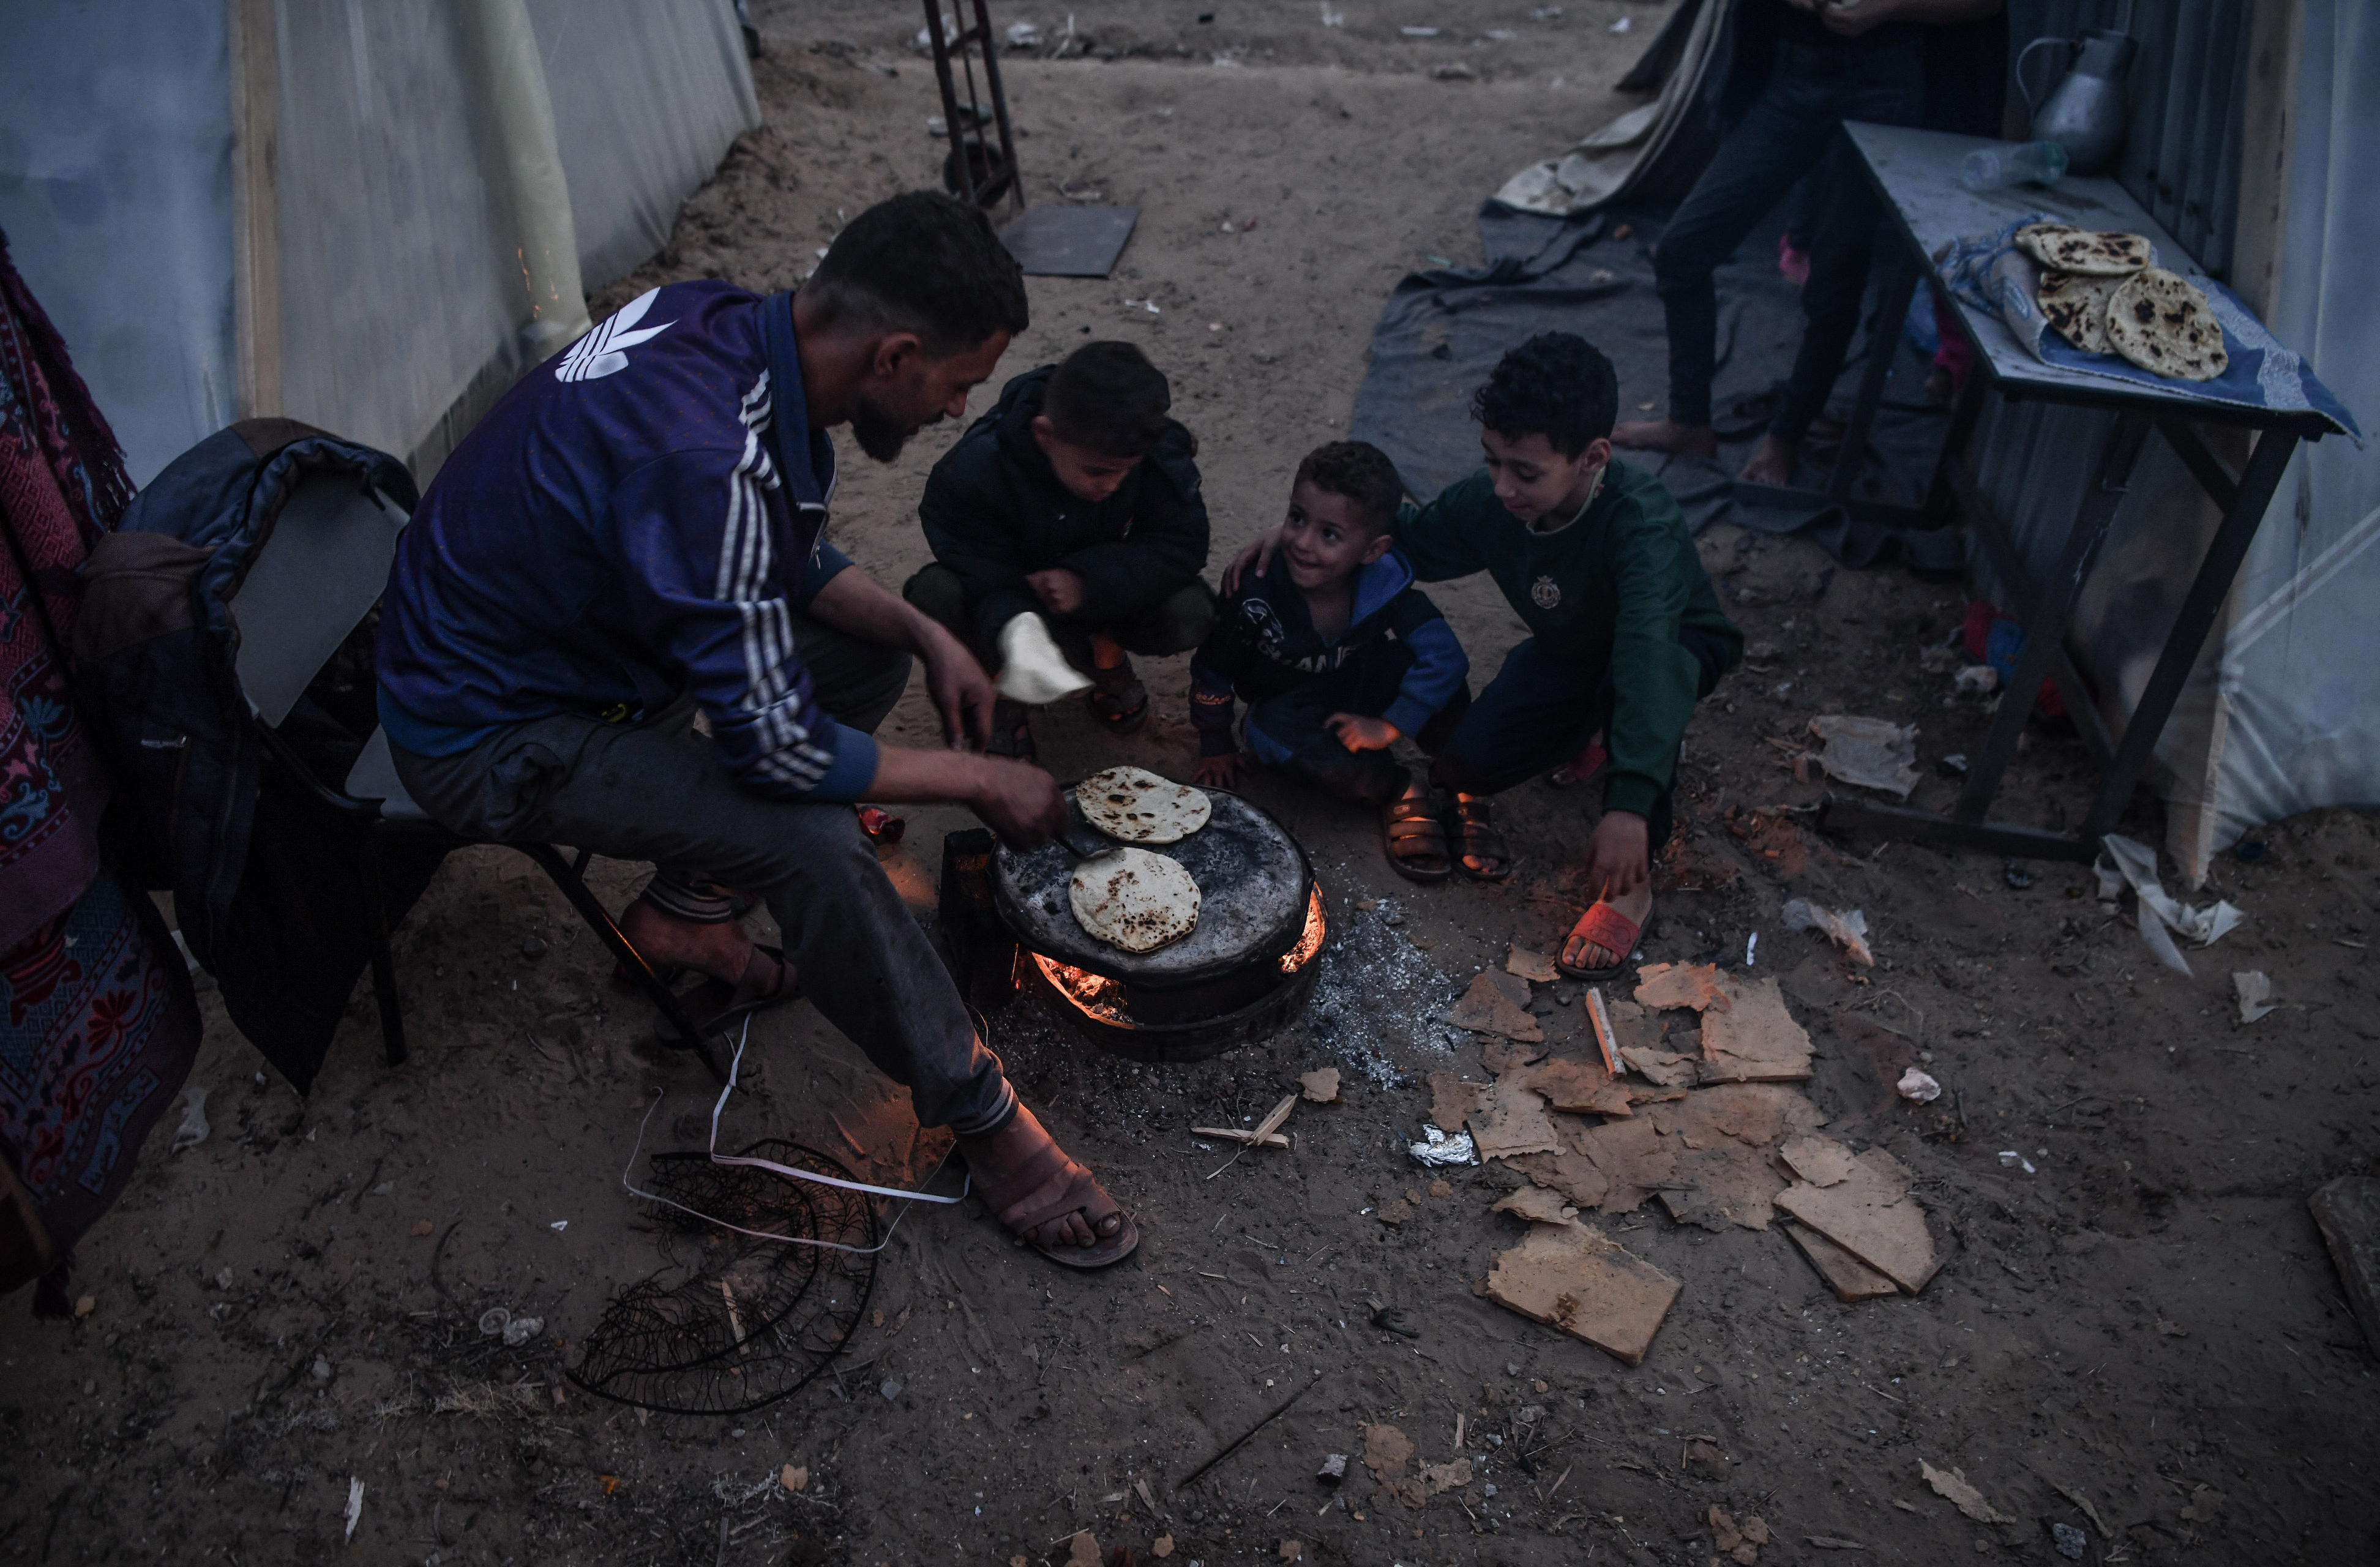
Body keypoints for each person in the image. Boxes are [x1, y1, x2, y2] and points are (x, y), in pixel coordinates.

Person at [374, 192, 1136, 1268]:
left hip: (583, 648)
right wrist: (973, 776)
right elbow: (776, 752)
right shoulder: (698, 461)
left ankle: (688, 912)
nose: (959, 412)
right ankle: (984, 1122)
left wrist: (927, 631)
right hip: (491, 731)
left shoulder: (718, 322)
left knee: (869, 647)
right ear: (895, 355)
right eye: (958, 385)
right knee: (809, 835)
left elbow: (775, 553)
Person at [1231, 334, 1740, 978]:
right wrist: (1317, 536)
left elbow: (1649, 650)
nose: (1502, 487)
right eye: (1492, 461)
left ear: (1593, 457)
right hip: (1568, 651)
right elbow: (1408, 539)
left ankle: (1631, 884)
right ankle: (1592, 730)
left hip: (1668, 646)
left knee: (1633, 689)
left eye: (1525, 472)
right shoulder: (1491, 501)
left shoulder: (1644, 527)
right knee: (1464, 765)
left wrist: (1630, 805)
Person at [1611, 0, 2004, 485]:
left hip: (1886, 89)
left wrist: (1887, 7)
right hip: (1790, 75)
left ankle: (1787, 437)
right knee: (1682, 250)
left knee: (1835, 281)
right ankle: (1688, 423)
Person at [905, 340, 1213, 763]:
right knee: (935, 594)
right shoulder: (974, 473)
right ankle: (998, 687)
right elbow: (979, 570)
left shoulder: (1146, 446)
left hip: (1103, 595)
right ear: (1045, 435)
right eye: (1098, 472)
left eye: (1127, 471)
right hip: (1011, 595)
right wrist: (1016, 634)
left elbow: (1180, 543)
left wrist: (1089, 583)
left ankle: (1107, 655)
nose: (1113, 485)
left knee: (1189, 610)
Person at [1188, 441, 1470, 881]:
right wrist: (1215, 743)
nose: (1302, 543)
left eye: (1329, 534)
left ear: (1373, 550)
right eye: (1297, 518)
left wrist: (1392, 725)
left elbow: (1446, 657)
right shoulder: (1256, 591)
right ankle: (1398, 787)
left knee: (1446, 684)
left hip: (1359, 687)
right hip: (1289, 707)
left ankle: (1462, 780)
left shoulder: (1386, 585)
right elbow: (1213, 672)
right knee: (1269, 735)